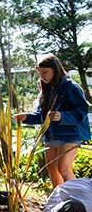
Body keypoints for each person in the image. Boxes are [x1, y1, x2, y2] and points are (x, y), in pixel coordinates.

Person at [13, 55, 91, 188]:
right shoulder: (46, 90)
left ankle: (77, 200)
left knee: (64, 168)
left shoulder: (71, 87)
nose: (42, 76)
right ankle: (59, 202)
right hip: (51, 134)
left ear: (55, 69)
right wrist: (26, 117)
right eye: (39, 73)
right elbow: (42, 116)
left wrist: (62, 116)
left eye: (45, 72)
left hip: (70, 133)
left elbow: (82, 110)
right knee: (52, 168)